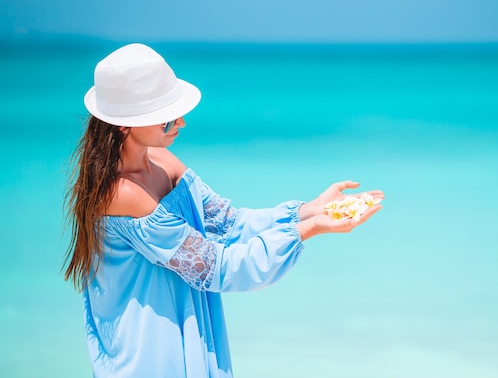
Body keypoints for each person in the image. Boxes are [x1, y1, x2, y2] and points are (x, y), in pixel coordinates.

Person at [63, 43, 384, 378]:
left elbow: (229, 223)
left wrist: (309, 210)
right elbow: (215, 268)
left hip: (178, 333)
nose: (182, 123)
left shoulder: (162, 161)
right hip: (153, 354)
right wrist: (311, 229)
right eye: (167, 119)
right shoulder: (123, 192)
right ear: (124, 125)